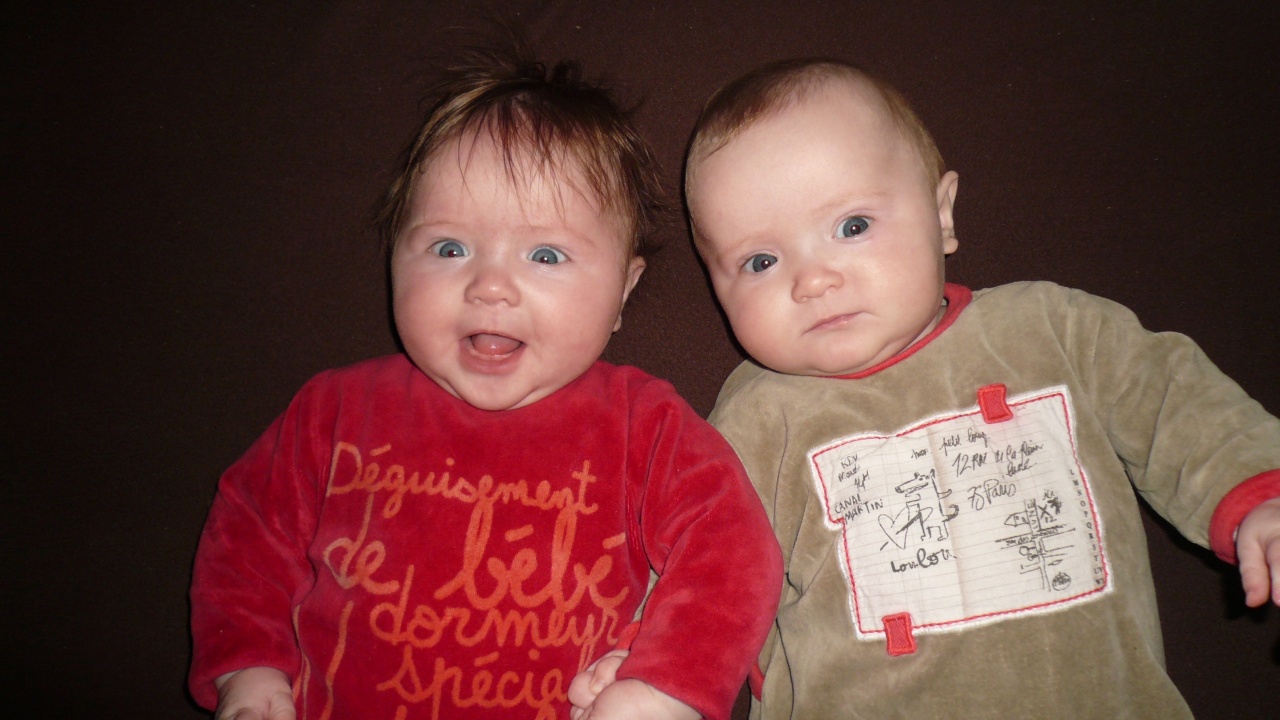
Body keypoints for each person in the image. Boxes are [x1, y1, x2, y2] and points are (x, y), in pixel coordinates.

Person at [576, 58, 1280, 718]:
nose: (812, 280)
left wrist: (1260, 491)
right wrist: (652, 665)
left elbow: (1173, 404)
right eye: (760, 261)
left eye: (852, 226)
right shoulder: (758, 421)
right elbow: (706, 558)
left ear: (942, 213)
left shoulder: (1054, 330)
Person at [187, 43, 782, 720]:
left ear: (623, 290)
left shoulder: (642, 426)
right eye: (450, 248)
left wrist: (663, 687)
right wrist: (248, 664)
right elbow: (248, 535)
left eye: (545, 254)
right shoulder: (334, 412)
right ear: (395, 257)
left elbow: (731, 549)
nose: (490, 286)